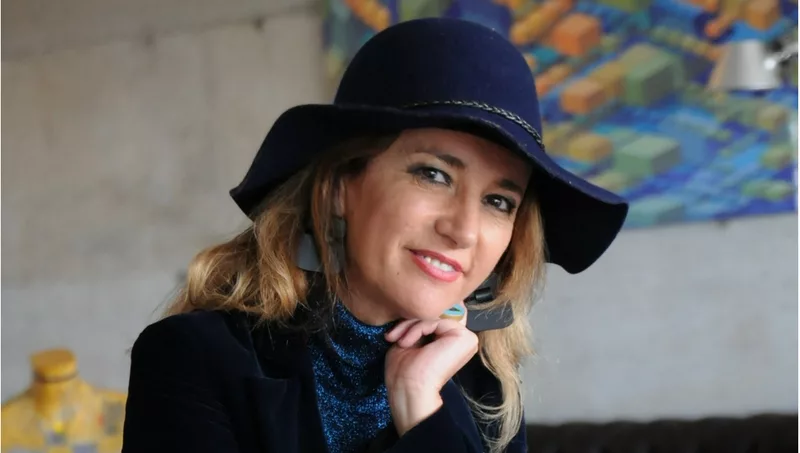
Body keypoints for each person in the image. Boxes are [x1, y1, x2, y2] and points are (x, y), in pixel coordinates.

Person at [121, 17, 628, 453]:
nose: (462, 230)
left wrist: (420, 404)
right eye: (434, 174)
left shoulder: (485, 385)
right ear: (340, 188)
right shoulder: (192, 358)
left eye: (499, 202)